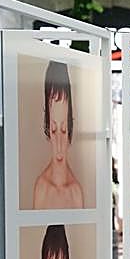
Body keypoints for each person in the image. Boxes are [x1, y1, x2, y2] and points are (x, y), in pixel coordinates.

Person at [31, 61, 84, 210]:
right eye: (54, 130)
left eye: (64, 130)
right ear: (47, 129)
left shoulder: (76, 192)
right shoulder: (42, 189)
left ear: (70, 129)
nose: (60, 144)